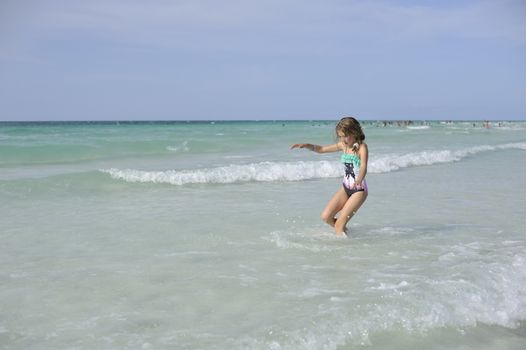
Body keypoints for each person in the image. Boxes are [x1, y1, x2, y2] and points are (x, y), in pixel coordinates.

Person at [291, 117, 368, 236]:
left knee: (339, 225)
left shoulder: (362, 147)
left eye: (345, 136)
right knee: (326, 217)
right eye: (340, 136)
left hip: (359, 190)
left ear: (354, 132)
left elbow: (363, 166)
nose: (343, 139)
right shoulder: (343, 146)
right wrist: (307, 145)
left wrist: (359, 178)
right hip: (345, 187)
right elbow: (322, 149)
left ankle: (343, 247)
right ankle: (345, 234)